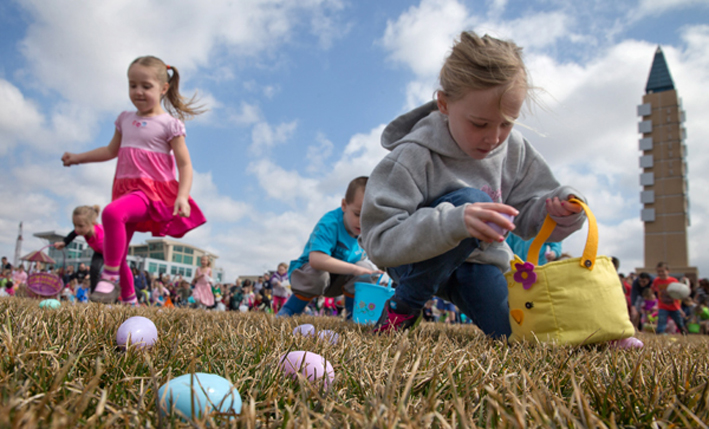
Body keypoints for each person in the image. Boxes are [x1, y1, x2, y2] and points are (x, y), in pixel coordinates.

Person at [359, 32, 586, 337]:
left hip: (480, 265)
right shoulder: (412, 156)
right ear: (444, 103)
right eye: (479, 124)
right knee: (470, 199)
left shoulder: (514, 150)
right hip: (414, 262)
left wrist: (560, 212)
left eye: (507, 123)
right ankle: (403, 309)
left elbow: (528, 216)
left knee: (522, 336)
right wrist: (454, 222)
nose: (493, 138)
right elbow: (380, 242)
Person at [61, 56, 206, 304]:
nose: (138, 91)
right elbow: (109, 151)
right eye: (132, 85)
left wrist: (182, 195)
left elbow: (185, 164)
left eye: (146, 86)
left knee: (110, 214)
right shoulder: (125, 119)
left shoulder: (169, 124)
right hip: (125, 191)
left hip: (151, 193)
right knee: (115, 252)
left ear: (163, 88)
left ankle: (109, 277)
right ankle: (130, 302)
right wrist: (78, 158)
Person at [277, 176, 381, 317]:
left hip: (341, 282)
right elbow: (316, 259)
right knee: (320, 273)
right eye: (357, 214)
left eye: (369, 217)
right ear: (344, 205)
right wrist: (356, 269)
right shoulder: (330, 222)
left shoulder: (369, 231)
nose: (362, 222)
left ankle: (354, 316)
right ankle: (290, 310)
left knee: (367, 269)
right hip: (310, 276)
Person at [55, 205, 105, 292]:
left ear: (92, 223)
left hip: (112, 251)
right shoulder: (84, 229)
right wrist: (64, 242)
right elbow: (73, 234)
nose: (77, 229)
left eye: (80, 226)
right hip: (99, 252)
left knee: (112, 272)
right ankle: (95, 294)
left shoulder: (100, 235)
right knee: (94, 269)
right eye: (75, 225)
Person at [652, 262, 687, 334]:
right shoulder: (656, 281)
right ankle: (660, 332)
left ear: (668, 271)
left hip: (674, 306)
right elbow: (654, 290)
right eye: (659, 271)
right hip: (662, 306)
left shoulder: (673, 281)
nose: (661, 273)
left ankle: (683, 331)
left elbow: (678, 293)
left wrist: (679, 308)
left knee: (678, 321)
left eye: (662, 271)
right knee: (661, 320)